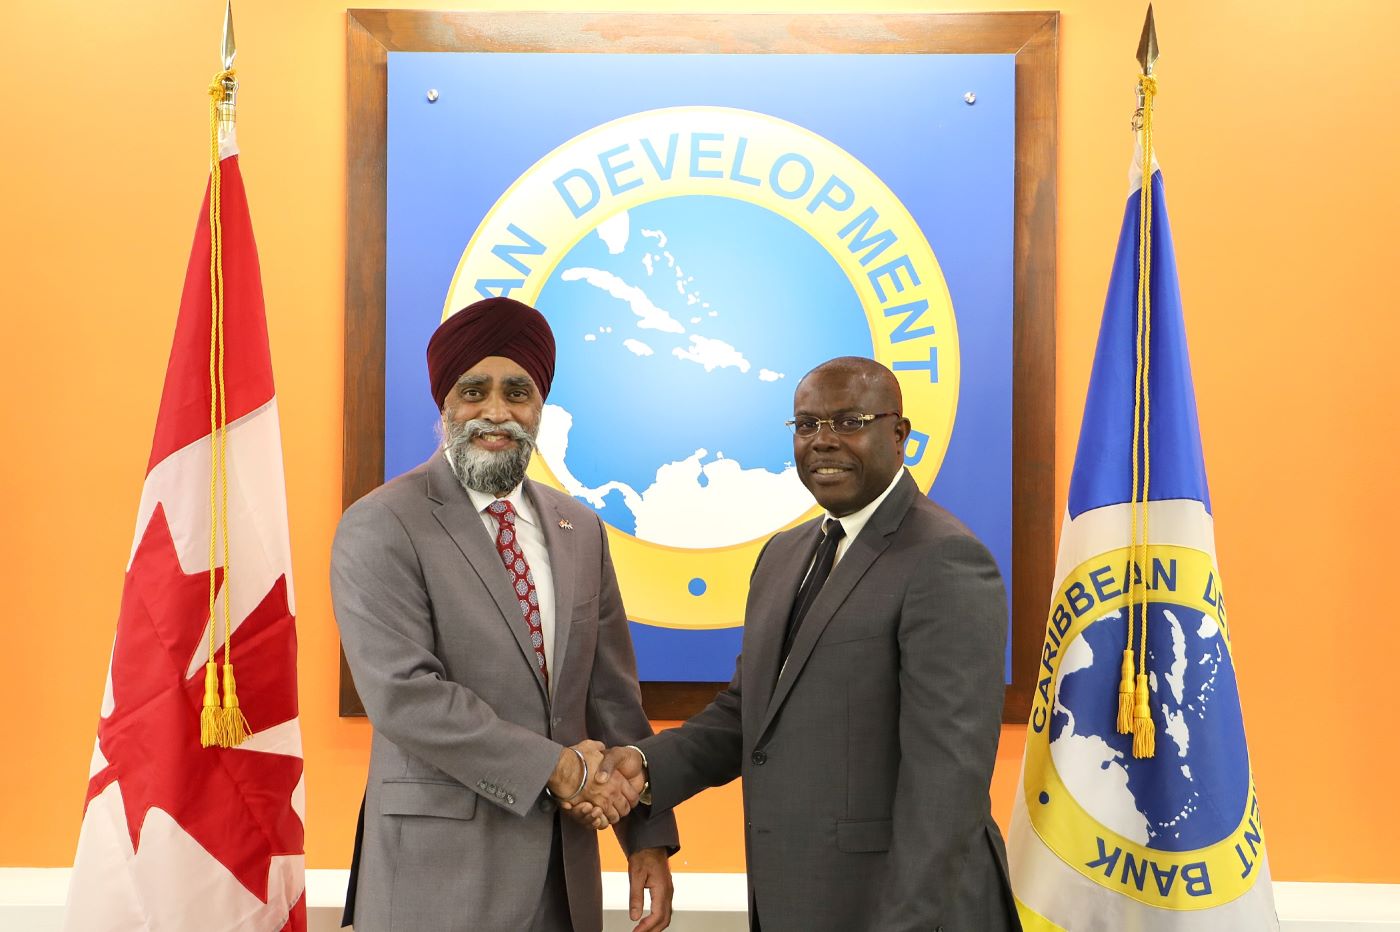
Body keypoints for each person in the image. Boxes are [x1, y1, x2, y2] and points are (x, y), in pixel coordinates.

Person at [580, 357, 1019, 932]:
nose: (824, 442)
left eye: (849, 421)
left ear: (900, 434)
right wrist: (642, 768)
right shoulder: (783, 556)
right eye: (807, 426)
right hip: (797, 900)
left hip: (903, 908)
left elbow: (948, 784)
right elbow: (748, 716)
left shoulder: (945, 559)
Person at [331, 296, 677, 932]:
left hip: (563, 879)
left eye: (518, 392)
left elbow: (611, 695)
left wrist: (645, 836)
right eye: (474, 390)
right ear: (445, 404)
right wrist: (560, 769)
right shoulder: (381, 524)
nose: (496, 412)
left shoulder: (579, 527)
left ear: (541, 407)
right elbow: (405, 696)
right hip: (437, 879)